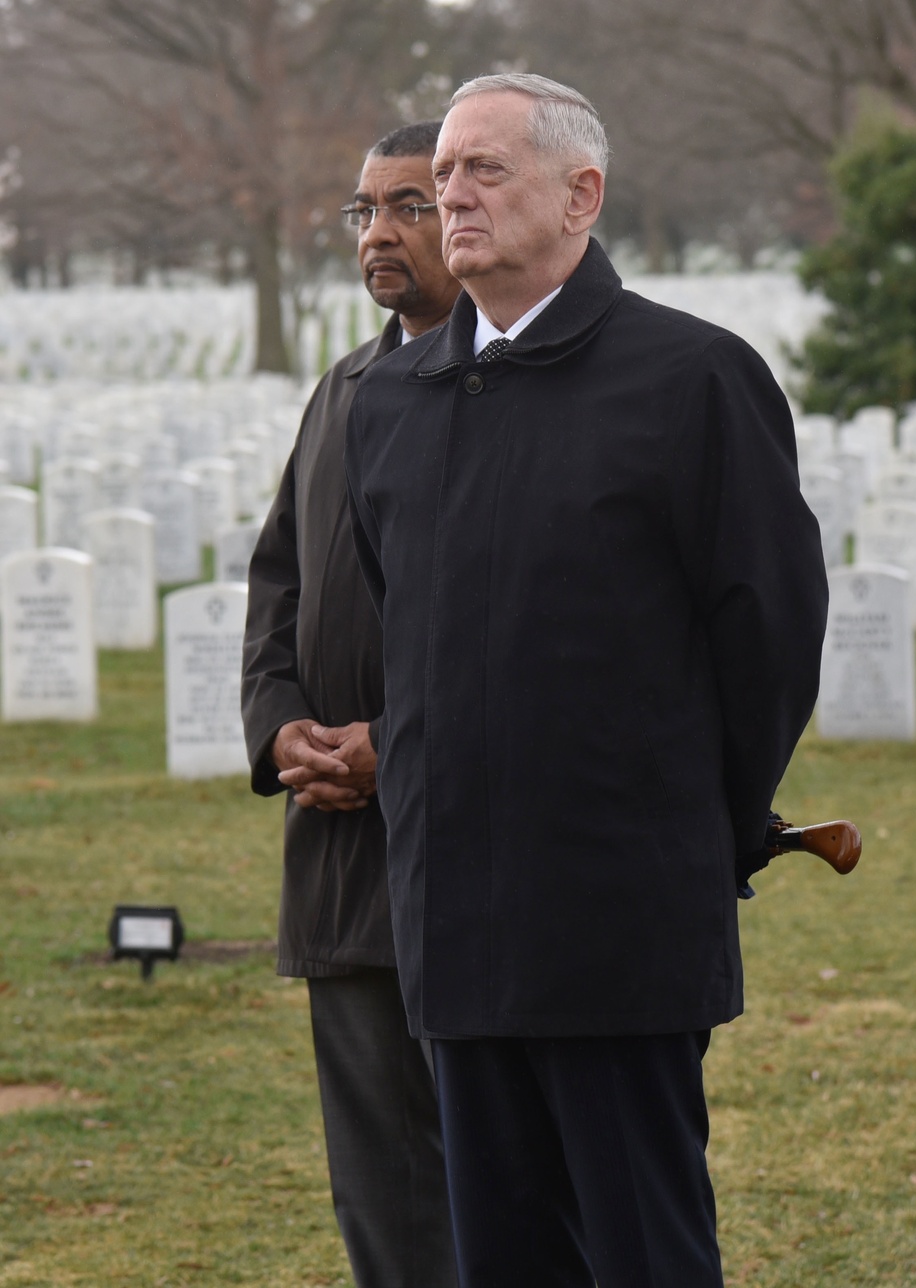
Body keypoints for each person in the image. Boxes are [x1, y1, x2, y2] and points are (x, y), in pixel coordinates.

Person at [344, 76, 829, 1288]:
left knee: (642, 1252)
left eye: (485, 169)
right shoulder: (390, 400)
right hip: (454, 914)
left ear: (581, 195)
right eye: (442, 174)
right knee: (502, 1256)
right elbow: (410, 634)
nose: (451, 195)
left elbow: (767, 636)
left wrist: (695, 826)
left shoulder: (691, 377)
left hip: (619, 910)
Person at [241, 120, 460, 1288]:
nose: (379, 232)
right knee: (380, 1185)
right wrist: (281, 727)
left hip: (465, 844)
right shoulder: (344, 387)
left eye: (408, 205)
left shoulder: (505, 383)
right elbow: (279, 576)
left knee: (501, 1178)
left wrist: (403, 744)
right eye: (364, 210)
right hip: (339, 845)